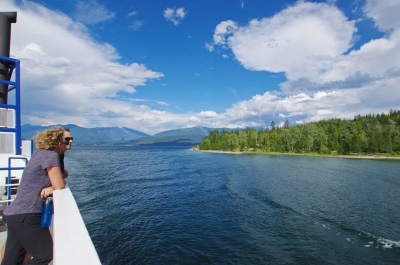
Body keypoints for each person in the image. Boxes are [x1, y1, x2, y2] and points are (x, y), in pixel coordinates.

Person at [1, 126, 73, 265]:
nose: (70, 142)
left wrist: (55, 181)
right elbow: (59, 185)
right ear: (57, 142)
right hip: (27, 215)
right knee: (46, 255)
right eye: (67, 139)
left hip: (15, 214)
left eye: (71, 139)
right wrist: (54, 185)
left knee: (12, 259)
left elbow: (59, 175)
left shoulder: (40, 153)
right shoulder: (51, 156)